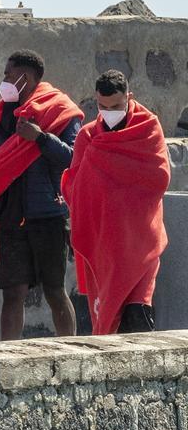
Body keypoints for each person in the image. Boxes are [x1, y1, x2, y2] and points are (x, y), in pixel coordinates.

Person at [0, 50, 82, 341]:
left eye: (9, 74)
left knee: (54, 289)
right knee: (13, 292)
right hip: (12, 214)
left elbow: (73, 159)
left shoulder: (61, 109)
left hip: (48, 213)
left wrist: (39, 137)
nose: (4, 80)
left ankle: (69, 349)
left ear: (26, 77)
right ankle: (7, 355)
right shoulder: (4, 113)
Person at [63, 70, 170, 335]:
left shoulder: (147, 128)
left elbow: (159, 177)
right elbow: (75, 188)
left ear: (129, 97)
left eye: (116, 106)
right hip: (105, 244)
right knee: (110, 322)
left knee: (138, 315)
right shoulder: (88, 137)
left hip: (140, 241)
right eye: (103, 107)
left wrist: (116, 182)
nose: (110, 112)